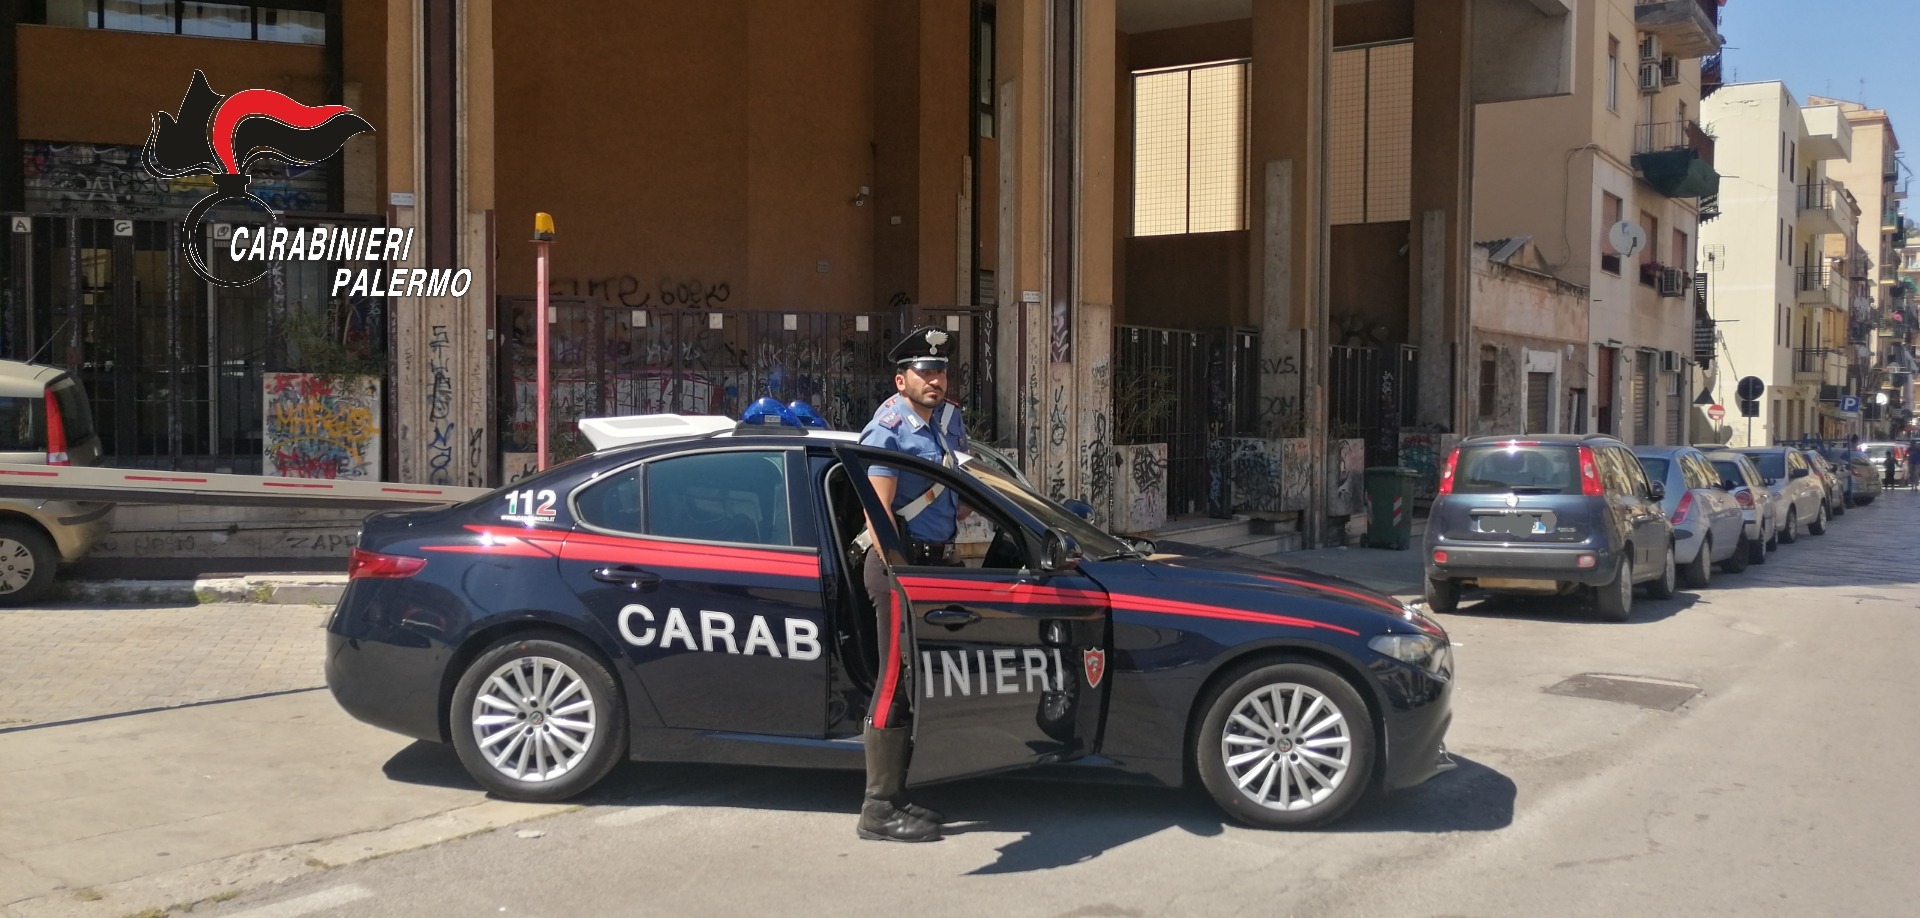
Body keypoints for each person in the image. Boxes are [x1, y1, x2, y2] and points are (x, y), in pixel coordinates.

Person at [852, 325, 970, 843]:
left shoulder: (948, 420)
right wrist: (901, 574)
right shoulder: (889, 427)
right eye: (924, 373)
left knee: (920, 681)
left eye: (940, 371)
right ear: (901, 380)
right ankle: (877, 808)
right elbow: (876, 510)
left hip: (939, 564)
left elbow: (963, 486)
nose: (935, 380)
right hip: (901, 568)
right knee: (893, 680)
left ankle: (900, 793)